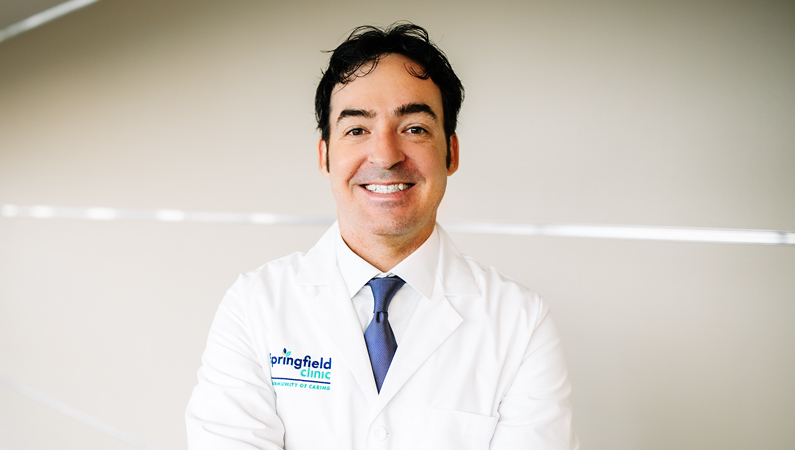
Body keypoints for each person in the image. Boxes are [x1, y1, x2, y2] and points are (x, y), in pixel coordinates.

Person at [186, 23, 578, 449]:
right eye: (357, 130)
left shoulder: (520, 323)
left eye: (414, 128)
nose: (387, 156)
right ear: (325, 155)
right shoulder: (255, 307)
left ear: (451, 152)